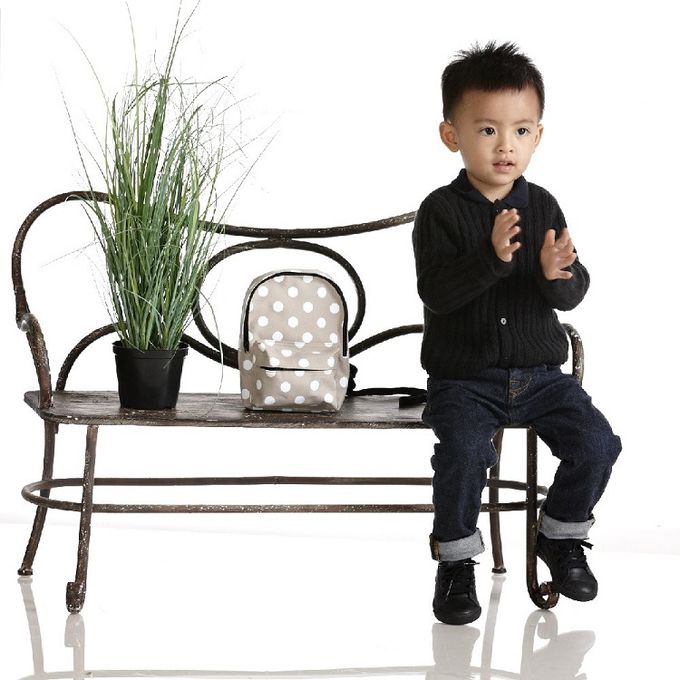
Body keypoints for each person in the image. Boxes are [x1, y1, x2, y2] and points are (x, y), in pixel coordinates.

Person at [412, 41, 622, 625]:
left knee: (598, 444)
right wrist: (491, 258)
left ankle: (560, 534)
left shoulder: (544, 205)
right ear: (451, 135)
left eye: (521, 131)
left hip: (540, 377)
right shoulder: (440, 211)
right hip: (465, 379)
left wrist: (559, 275)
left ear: (538, 136)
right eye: (487, 130)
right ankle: (456, 561)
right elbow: (437, 292)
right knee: (463, 454)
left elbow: (571, 290)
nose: (505, 145)